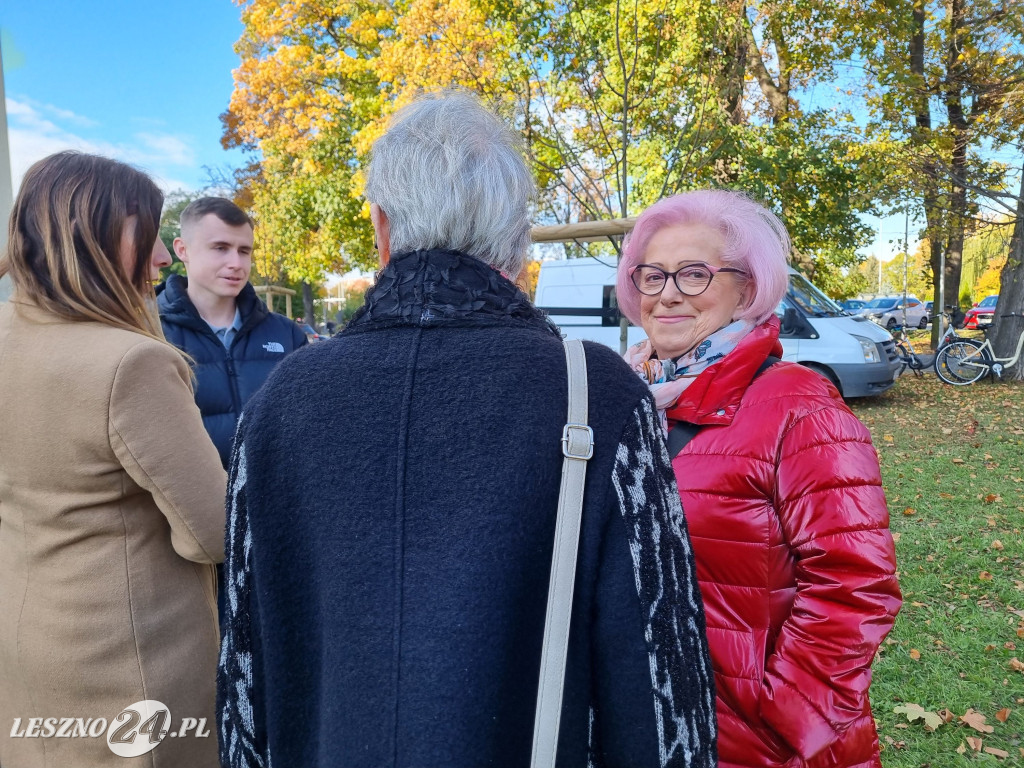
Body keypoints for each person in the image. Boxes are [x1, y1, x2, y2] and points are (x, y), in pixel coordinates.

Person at [217, 92, 718, 768]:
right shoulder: (598, 394)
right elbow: (661, 682)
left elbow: (244, 669)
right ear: (517, 246)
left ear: (382, 230)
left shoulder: (281, 402)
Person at [616, 190, 902, 768]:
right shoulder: (629, 400)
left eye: (694, 274)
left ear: (746, 289)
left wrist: (783, 719)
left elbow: (856, 584)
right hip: (653, 728)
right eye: (652, 276)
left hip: (758, 745)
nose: (667, 293)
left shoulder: (799, 406)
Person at [0, 152, 227, 767]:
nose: (161, 258)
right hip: (127, 663)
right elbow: (212, 532)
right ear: (92, 236)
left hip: (27, 639)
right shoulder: (131, 364)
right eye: (148, 235)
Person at [157, 197, 307, 468]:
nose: (236, 263)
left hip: (275, 501)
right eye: (220, 248)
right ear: (182, 249)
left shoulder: (287, 334)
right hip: (193, 505)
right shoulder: (150, 333)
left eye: (244, 251)